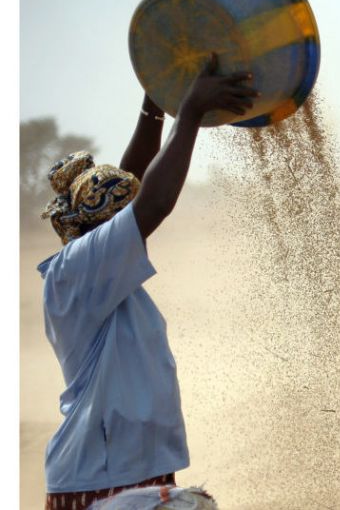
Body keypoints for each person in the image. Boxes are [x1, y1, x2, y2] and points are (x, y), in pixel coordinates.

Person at [39, 54, 257, 510]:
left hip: (126, 471)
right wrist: (192, 113)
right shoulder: (77, 271)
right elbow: (152, 201)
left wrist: (156, 100)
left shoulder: (96, 268)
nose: (127, 219)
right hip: (99, 480)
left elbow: (133, 185)